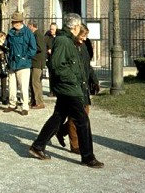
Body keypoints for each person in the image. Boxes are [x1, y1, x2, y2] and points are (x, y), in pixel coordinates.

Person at [29, 13, 104, 168]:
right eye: (79, 25)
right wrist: (73, 80)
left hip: (68, 87)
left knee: (58, 117)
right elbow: (57, 65)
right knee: (82, 120)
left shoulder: (68, 40)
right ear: (75, 27)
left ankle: (38, 146)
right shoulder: (63, 41)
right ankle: (88, 157)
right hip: (69, 88)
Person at [57, 24, 100, 153]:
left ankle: (61, 130)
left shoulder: (84, 46)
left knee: (83, 114)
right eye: (82, 36)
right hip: (74, 85)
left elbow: (87, 65)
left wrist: (94, 80)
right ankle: (75, 144)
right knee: (75, 115)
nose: (85, 39)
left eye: (86, 36)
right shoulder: (70, 46)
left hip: (84, 85)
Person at [4, 11, 37, 116]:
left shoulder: (28, 33)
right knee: (11, 86)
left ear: (20, 22)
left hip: (23, 64)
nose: (14, 23)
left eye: (15, 22)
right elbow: (7, 45)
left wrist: (25, 58)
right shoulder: (11, 32)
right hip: (12, 63)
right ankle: (12, 104)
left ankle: (25, 106)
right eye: (13, 22)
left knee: (23, 87)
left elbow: (33, 48)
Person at [27, 21, 46, 109]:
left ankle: (39, 102)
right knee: (31, 82)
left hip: (38, 62)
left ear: (32, 26)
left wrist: (30, 48)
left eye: (28, 26)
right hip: (33, 61)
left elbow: (40, 47)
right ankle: (33, 101)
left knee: (36, 82)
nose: (27, 28)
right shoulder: (34, 34)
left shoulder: (38, 34)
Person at [44, 22, 57, 96]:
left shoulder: (59, 37)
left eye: (53, 29)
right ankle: (52, 91)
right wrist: (47, 51)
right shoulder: (47, 36)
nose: (51, 31)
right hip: (50, 59)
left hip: (57, 59)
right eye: (50, 29)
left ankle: (57, 91)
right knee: (51, 76)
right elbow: (44, 46)